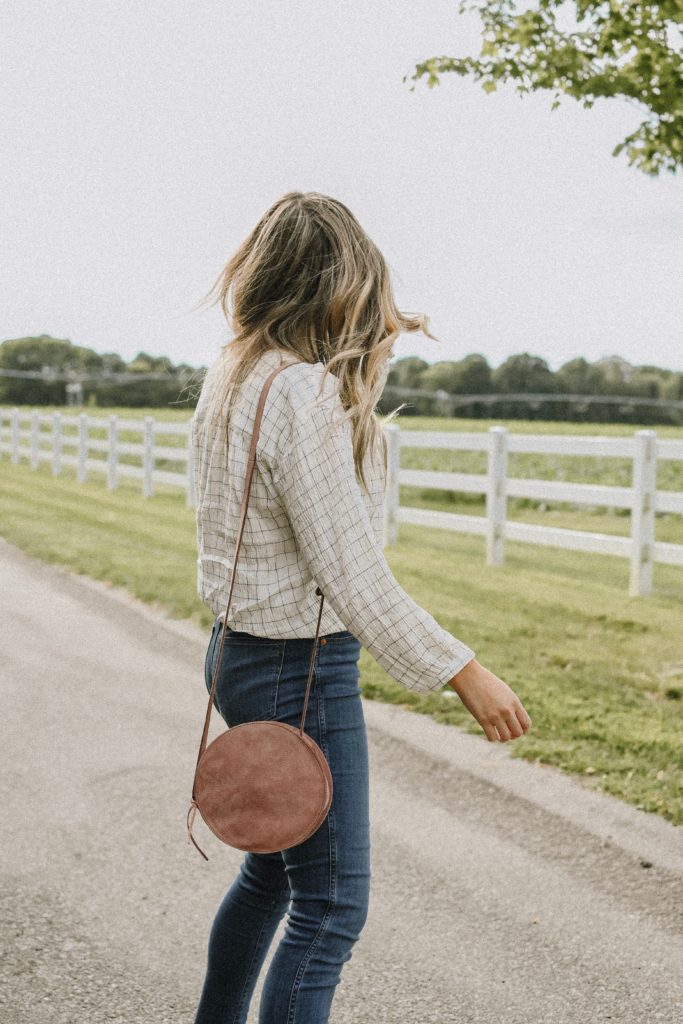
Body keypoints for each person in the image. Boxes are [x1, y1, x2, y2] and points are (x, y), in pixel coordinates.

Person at [189, 191, 532, 1024]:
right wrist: (464, 670)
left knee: (275, 870)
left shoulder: (235, 372)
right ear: (335, 290)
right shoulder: (302, 394)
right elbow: (352, 570)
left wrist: (360, 391)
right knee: (333, 902)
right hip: (295, 668)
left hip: (241, 653)